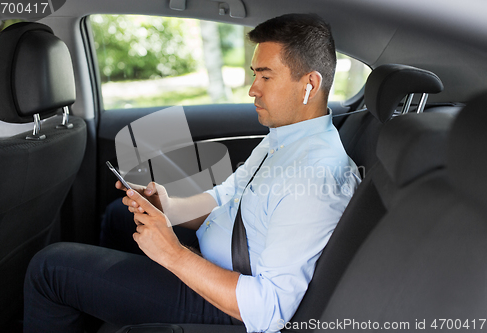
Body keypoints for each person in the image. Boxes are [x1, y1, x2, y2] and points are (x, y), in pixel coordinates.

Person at [24, 13, 360, 333]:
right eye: (254, 74)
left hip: (227, 300)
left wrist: (172, 253)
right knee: (118, 217)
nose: (252, 89)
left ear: (310, 85)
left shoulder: (315, 177)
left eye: (266, 76)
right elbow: (226, 198)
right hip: (215, 259)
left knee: (50, 269)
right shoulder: (285, 138)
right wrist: (169, 208)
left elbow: (268, 308)